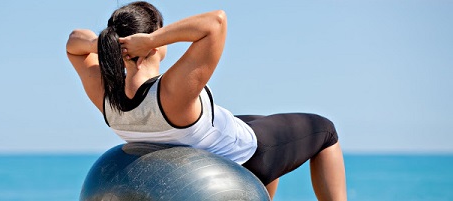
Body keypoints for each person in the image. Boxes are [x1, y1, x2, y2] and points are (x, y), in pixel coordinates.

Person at [66, 1, 347, 200]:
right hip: (245, 158)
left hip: (203, 144)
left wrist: (105, 46)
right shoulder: (169, 93)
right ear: (153, 45)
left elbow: (74, 44)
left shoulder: (108, 98)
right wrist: (152, 38)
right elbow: (216, 22)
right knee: (325, 130)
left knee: (257, 119)